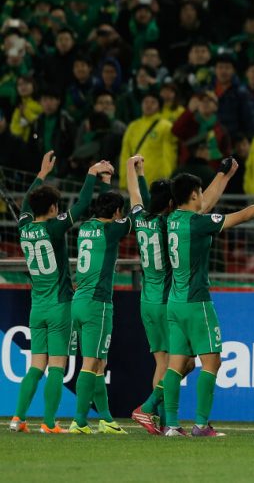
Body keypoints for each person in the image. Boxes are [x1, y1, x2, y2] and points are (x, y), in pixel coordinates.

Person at [160, 171, 254, 436]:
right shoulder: (197, 223)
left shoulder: (172, 220)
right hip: (196, 302)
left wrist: (223, 175)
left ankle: (171, 425)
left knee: (175, 364)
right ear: (194, 195)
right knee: (212, 363)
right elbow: (242, 216)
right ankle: (200, 424)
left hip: (174, 301)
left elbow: (203, 205)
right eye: (199, 193)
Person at [9, 152, 106, 434]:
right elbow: (85, 204)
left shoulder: (24, 226)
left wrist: (41, 173)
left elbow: (27, 201)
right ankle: (49, 423)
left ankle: (17, 419)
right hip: (60, 305)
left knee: (35, 365)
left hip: (36, 306)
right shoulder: (55, 227)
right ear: (53, 208)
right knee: (57, 367)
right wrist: (91, 173)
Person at [126, 155, 200, 435]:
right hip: (167, 301)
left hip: (147, 300)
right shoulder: (170, 224)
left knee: (164, 363)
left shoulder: (140, 219)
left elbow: (136, 195)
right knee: (184, 363)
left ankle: (155, 417)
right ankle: (161, 416)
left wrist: (134, 169)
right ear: (171, 204)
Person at [68, 181, 136, 435]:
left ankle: (106, 419)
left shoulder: (86, 227)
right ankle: (79, 420)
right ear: (117, 212)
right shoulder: (111, 231)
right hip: (98, 304)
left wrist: (105, 181)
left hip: (79, 301)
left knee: (99, 364)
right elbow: (137, 217)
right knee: (91, 363)